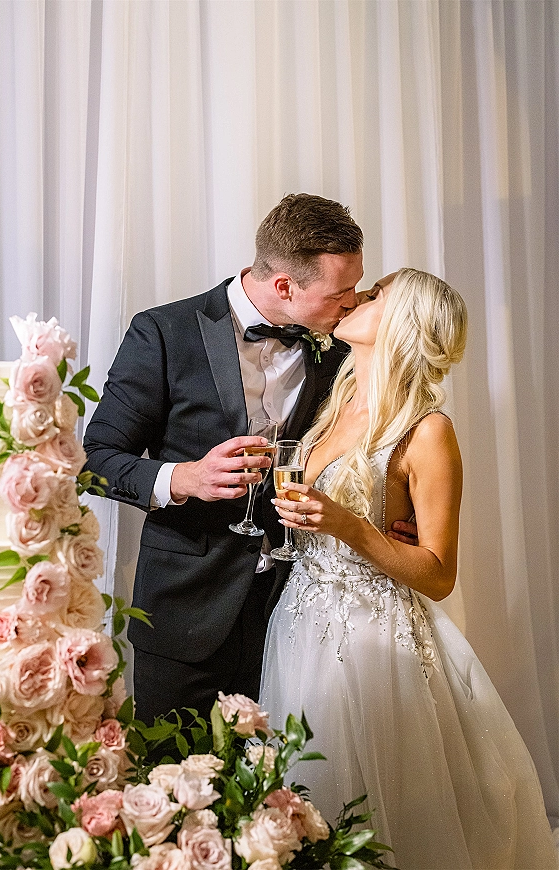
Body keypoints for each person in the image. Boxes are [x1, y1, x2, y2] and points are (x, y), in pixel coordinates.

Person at [260, 268, 557, 869]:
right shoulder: (337, 401)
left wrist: (348, 525)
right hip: (302, 618)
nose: (355, 299)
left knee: (376, 806)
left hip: (373, 637)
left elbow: (438, 572)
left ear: (400, 324)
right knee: (301, 790)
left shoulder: (427, 431)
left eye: (373, 296)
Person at [84, 193, 419, 723]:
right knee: (172, 785)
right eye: (342, 290)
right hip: (185, 612)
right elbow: (96, 460)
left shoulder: (338, 348)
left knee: (282, 792)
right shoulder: (164, 333)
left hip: (298, 616)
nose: (353, 302)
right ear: (285, 286)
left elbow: (374, 440)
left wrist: (394, 519)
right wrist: (185, 477)